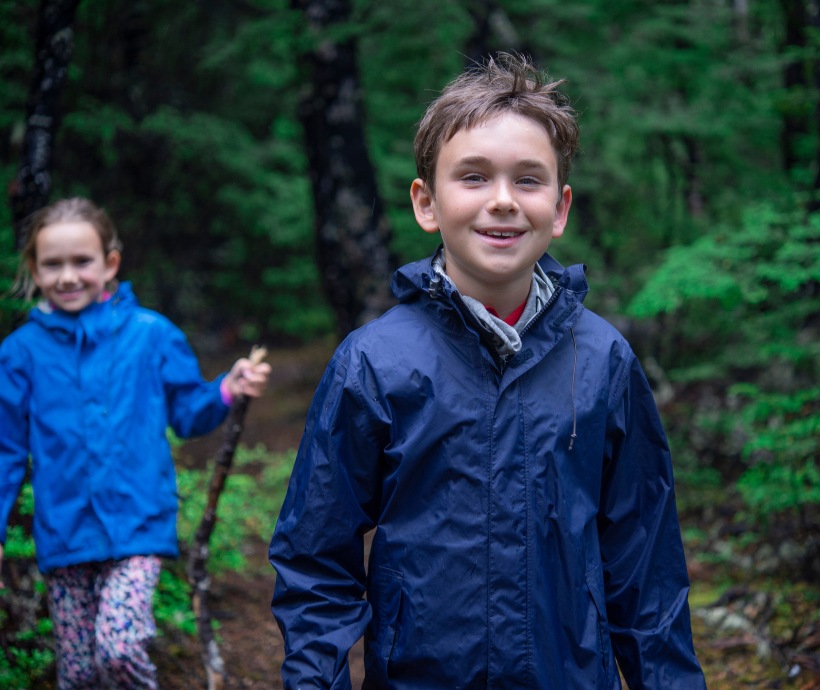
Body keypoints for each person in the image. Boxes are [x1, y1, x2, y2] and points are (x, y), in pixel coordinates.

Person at [269, 53, 706, 689]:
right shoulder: (373, 363)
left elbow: (647, 569)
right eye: (473, 177)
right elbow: (316, 561)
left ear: (559, 209)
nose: (502, 201)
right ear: (427, 203)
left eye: (528, 181)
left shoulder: (604, 360)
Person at [0, 197, 272, 689]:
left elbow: (189, 413)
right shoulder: (20, 353)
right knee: (80, 674)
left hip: (138, 524)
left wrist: (227, 389)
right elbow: (5, 451)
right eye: (52, 264)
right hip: (63, 534)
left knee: (119, 649)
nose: (67, 276)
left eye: (81, 261)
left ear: (110, 263)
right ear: (34, 271)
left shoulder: (151, 335)